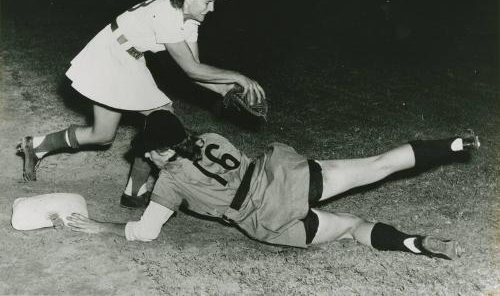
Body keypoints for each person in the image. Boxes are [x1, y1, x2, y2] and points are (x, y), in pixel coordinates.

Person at [67, 110, 480, 260]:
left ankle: (414, 242)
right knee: (379, 164)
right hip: (286, 176)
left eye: (148, 151)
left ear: (158, 152)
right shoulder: (210, 138)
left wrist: (101, 226)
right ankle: (455, 143)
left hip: (268, 217)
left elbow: (144, 233)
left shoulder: (169, 185)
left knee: (353, 225)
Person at [17, 0, 266, 206]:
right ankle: (134, 192)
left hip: (129, 59)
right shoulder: (167, 14)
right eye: (207, 1)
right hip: (110, 56)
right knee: (160, 119)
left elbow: (195, 70)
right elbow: (192, 69)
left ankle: (36, 145)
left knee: (104, 135)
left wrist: (224, 89)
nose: (211, 8)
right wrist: (239, 77)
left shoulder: (190, 20)